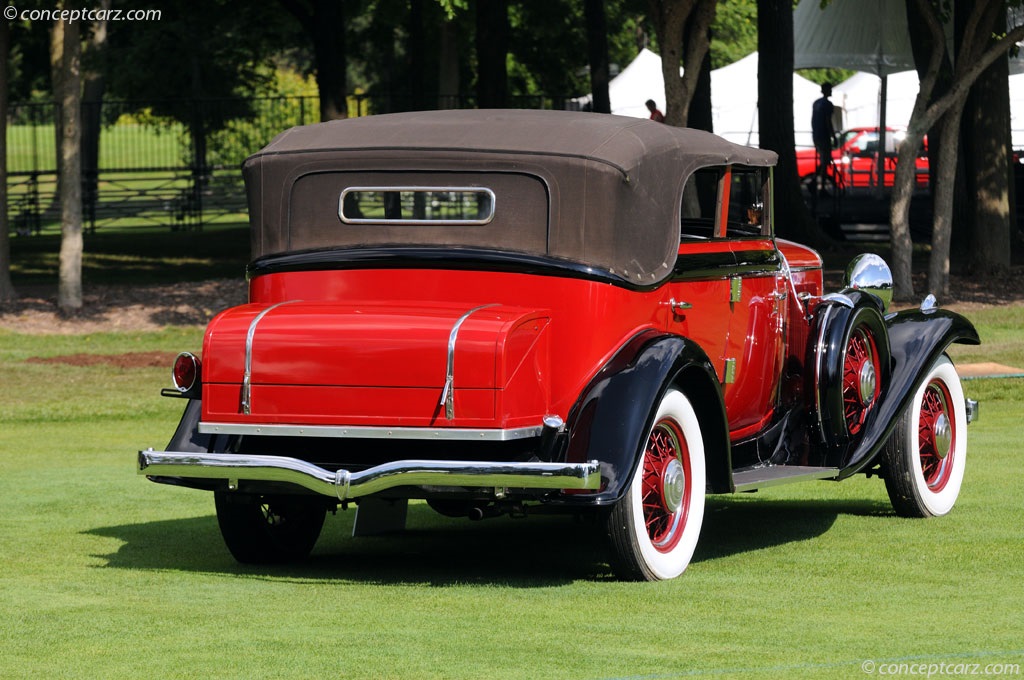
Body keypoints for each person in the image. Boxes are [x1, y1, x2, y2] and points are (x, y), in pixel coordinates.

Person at [811, 83, 835, 189]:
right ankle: (820, 185)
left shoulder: (816, 103)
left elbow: (813, 120)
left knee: (823, 160)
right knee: (825, 161)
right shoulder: (828, 104)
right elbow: (828, 121)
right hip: (824, 136)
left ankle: (816, 180)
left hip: (817, 135)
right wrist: (833, 136)